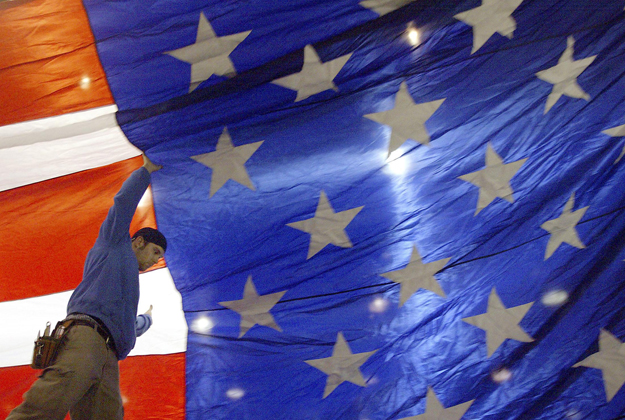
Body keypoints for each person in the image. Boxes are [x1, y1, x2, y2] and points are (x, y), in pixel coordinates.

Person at [7, 154, 167, 420]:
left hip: (109, 355)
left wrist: (146, 320)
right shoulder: (115, 243)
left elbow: (126, 324)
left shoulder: (128, 280)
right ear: (138, 242)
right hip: (86, 339)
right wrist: (146, 172)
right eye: (154, 252)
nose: (153, 261)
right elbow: (122, 204)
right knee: (45, 406)